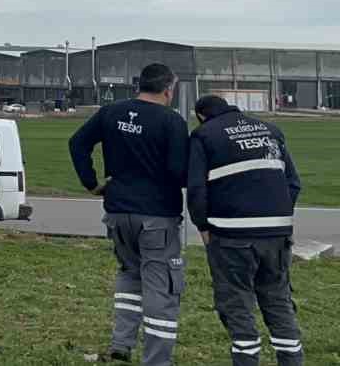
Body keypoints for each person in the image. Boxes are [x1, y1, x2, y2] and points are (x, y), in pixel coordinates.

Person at [69, 62, 190, 366]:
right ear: (168, 89)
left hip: (118, 211)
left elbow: (78, 142)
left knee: (129, 275)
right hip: (157, 216)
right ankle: (157, 360)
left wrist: (91, 183)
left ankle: (121, 345)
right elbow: (178, 171)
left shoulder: (111, 112)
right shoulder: (172, 121)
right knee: (161, 286)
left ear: (139, 85)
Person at [188, 95, 304, 365]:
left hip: (231, 234)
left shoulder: (204, 135)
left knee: (236, 302)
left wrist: (203, 226)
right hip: (276, 234)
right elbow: (293, 183)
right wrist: (277, 217)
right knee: (278, 299)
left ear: (202, 116)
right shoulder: (271, 130)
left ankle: (246, 359)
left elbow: (196, 189)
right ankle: (292, 359)